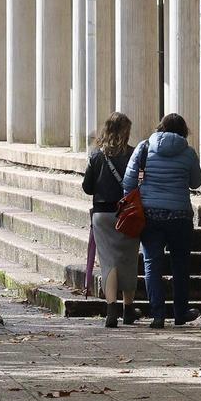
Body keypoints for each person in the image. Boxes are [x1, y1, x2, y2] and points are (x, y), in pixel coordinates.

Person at [123, 113, 201, 329]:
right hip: (180, 215)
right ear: (183, 131)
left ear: (161, 126)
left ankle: (158, 315)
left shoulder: (144, 147)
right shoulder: (187, 152)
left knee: (152, 264)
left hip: (150, 215)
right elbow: (196, 182)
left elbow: (129, 181)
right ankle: (180, 313)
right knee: (180, 265)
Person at [82, 112, 140, 328]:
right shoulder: (134, 155)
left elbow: (88, 188)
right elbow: (140, 182)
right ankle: (128, 309)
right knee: (129, 260)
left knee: (109, 263)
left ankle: (111, 311)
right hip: (128, 214)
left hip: (102, 216)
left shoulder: (96, 156)